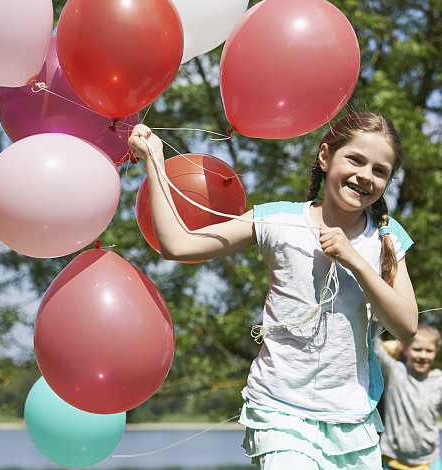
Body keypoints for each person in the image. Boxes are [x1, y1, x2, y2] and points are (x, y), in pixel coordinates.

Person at [128, 112, 418, 470]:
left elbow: (407, 327)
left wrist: (354, 259)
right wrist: (155, 158)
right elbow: (178, 244)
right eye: (355, 160)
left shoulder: (387, 238)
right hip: (280, 409)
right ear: (326, 157)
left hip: (352, 417)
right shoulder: (278, 221)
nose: (365, 176)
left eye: (380, 170)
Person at [374, 325, 442, 470]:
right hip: (389, 460)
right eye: (417, 349)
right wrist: (375, 317)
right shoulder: (395, 372)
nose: (423, 355)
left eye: (429, 351)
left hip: (429, 463)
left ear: (436, 351)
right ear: (405, 349)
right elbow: (375, 346)